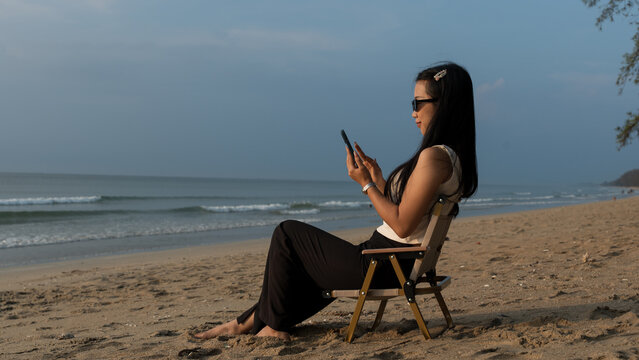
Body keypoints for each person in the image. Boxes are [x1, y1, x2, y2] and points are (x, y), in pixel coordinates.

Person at [194, 62, 478, 341]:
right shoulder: (448, 157)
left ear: (444, 104)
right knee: (306, 272)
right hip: (391, 260)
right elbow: (411, 211)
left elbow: (402, 225)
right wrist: (378, 180)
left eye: (418, 103)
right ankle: (245, 323)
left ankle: (265, 326)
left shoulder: (434, 157)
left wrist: (365, 185)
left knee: (287, 234)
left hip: (385, 264)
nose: (413, 113)